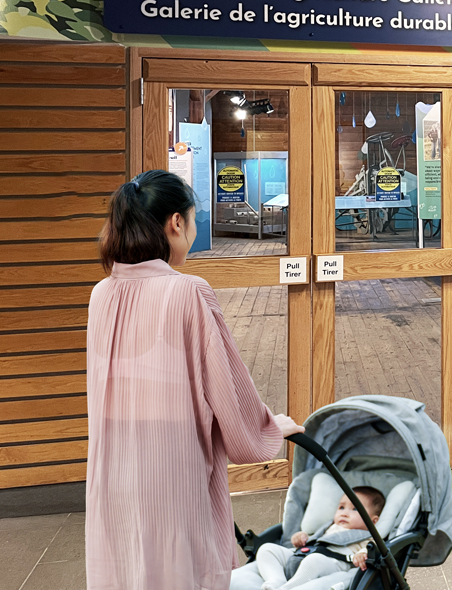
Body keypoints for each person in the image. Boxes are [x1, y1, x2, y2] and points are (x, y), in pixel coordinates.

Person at [87, 169, 304, 590]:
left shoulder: (101, 294)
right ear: (175, 223)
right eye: (193, 217)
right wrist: (267, 428)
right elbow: (226, 389)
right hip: (171, 473)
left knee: (125, 570)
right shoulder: (189, 292)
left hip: (112, 474)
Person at [253, 487, 385, 590]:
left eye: (355, 509)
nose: (344, 512)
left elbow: (374, 549)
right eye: (341, 507)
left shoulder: (368, 536)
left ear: (373, 521)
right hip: (305, 554)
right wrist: (302, 537)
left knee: (315, 560)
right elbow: (317, 540)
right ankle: (275, 581)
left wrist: (362, 554)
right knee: (267, 549)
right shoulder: (329, 527)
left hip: (334, 563)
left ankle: (287, 588)